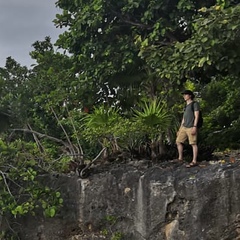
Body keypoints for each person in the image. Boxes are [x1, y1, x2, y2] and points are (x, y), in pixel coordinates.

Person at [175, 90, 200, 167]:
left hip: (191, 127)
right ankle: (180, 158)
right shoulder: (185, 106)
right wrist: (180, 129)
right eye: (184, 94)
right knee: (178, 141)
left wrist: (195, 127)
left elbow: (197, 116)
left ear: (190, 96)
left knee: (193, 143)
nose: (184, 96)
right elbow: (184, 118)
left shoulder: (194, 104)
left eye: (185, 94)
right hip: (184, 127)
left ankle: (194, 161)